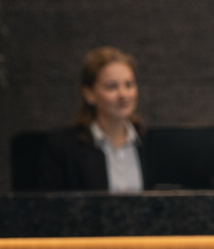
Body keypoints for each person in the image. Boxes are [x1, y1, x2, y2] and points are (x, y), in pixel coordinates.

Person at [39, 46, 148, 191]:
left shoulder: (151, 146)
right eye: (112, 86)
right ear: (89, 94)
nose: (123, 94)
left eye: (129, 85)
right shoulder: (62, 148)